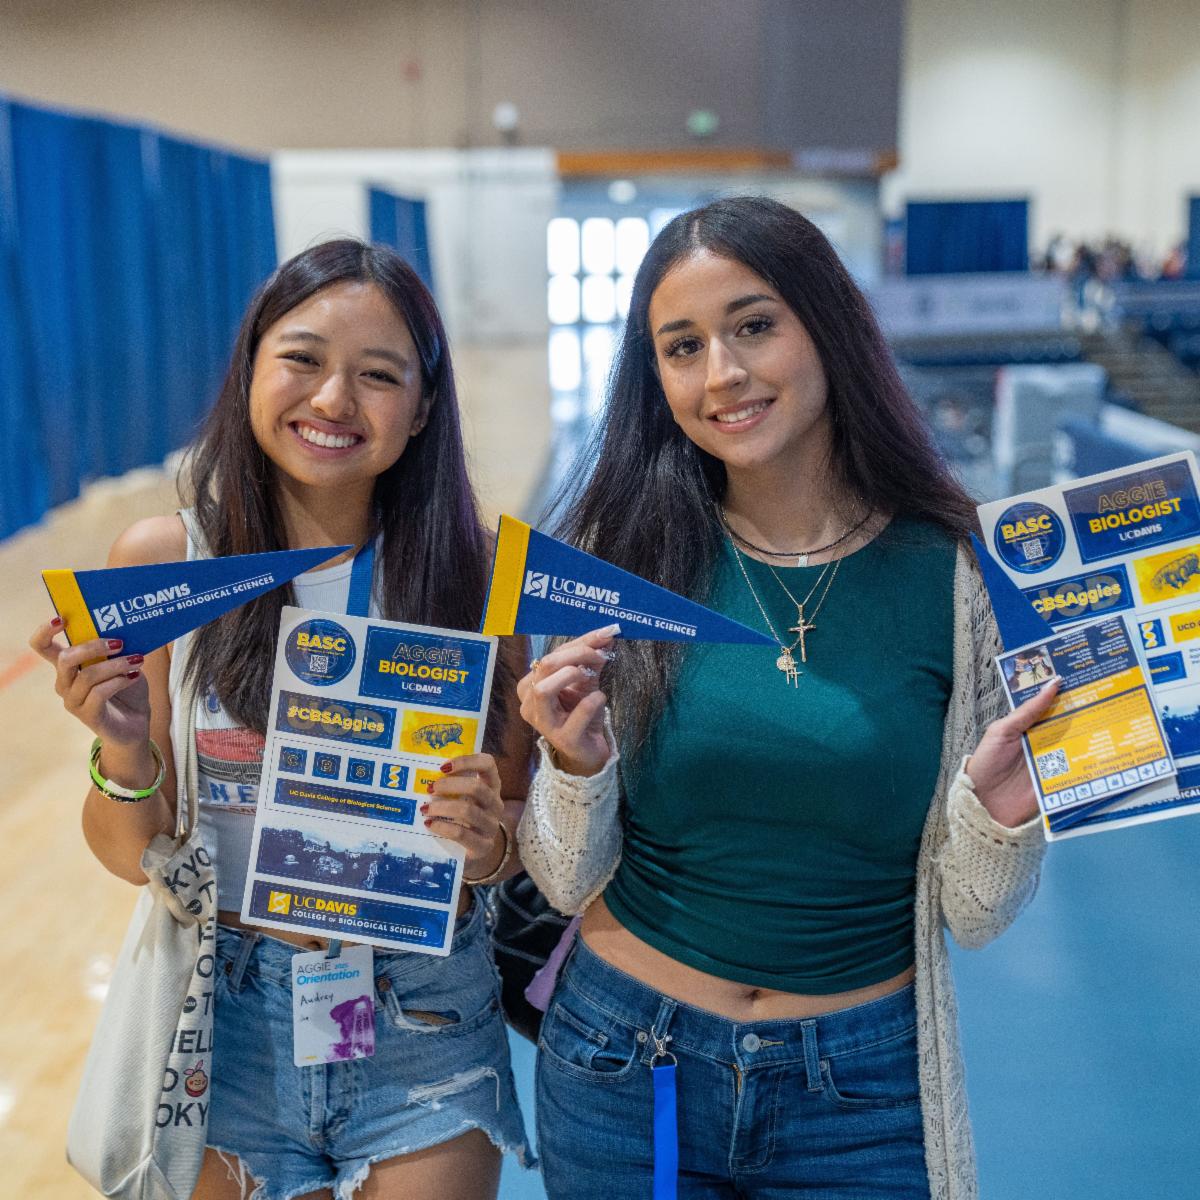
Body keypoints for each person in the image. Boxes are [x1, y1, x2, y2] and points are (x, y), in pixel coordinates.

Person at [516, 196, 1058, 1200]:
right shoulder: (627, 562)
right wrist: (574, 765)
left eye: (755, 326)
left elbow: (972, 917)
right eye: (682, 347)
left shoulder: (958, 575)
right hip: (629, 1067)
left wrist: (996, 817)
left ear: (827, 327)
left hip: (863, 1091)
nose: (722, 373)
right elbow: (560, 874)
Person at [30, 240, 531, 1200]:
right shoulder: (165, 558)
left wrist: (484, 842)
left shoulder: (478, 573)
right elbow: (132, 851)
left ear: (423, 408)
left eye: (378, 375)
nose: (334, 400)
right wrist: (123, 745)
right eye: (302, 358)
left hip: (419, 1012)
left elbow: (509, 830)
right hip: (224, 1012)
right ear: (252, 366)